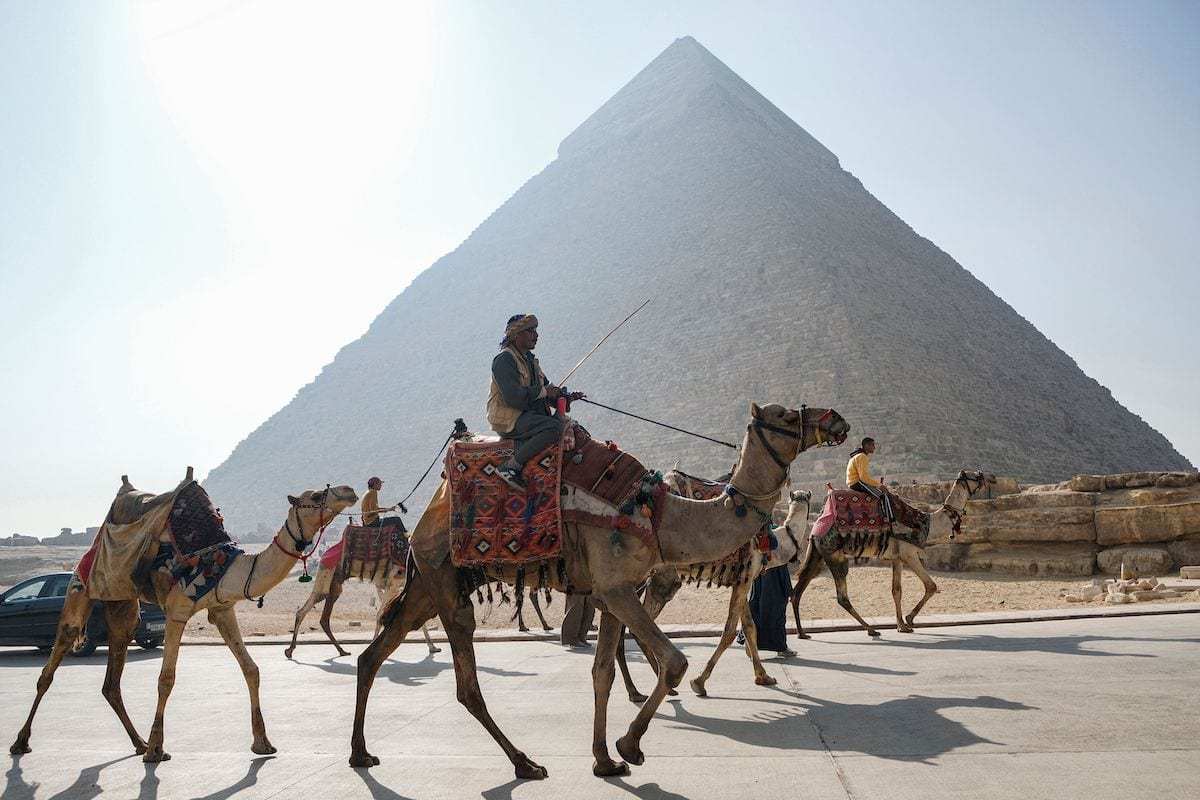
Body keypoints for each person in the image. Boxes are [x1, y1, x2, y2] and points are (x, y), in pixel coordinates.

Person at [486, 313, 584, 491]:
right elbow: (513, 397)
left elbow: (546, 389)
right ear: (516, 335)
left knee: (567, 425)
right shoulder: (504, 360)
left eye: (535, 330)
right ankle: (511, 466)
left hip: (528, 415)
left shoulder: (531, 360)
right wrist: (545, 391)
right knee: (553, 428)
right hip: (510, 418)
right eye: (530, 331)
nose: (536, 335)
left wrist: (564, 396)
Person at [747, 567, 795, 657]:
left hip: (759, 579)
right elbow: (782, 567)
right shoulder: (777, 554)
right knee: (776, 616)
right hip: (775, 588)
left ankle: (751, 646)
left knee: (756, 612)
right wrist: (790, 591)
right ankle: (781, 648)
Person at [846, 436, 893, 521]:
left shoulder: (858, 456)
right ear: (866, 446)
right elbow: (863, 477)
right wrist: (879, 485)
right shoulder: (862, 457)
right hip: (857, 482)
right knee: (883, 495)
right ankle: (889, 519)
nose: (874, 447)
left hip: (855, 482)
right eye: (872, 445)